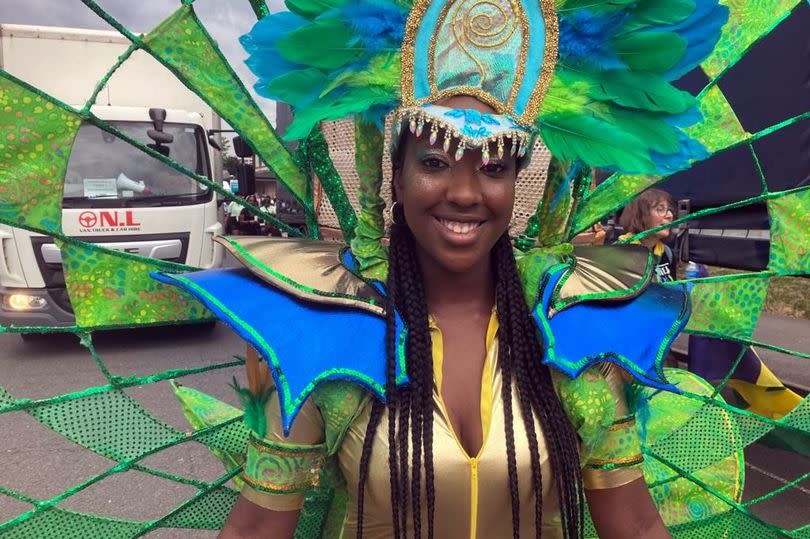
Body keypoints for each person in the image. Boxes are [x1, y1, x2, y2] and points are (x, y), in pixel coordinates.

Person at [152, 0, 734, 537]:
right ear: (397, 179)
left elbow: (634, 527)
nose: (464, 192)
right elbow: (255, 530)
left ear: (512, 185)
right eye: (434, 161)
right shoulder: (329, 327)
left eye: (494, 167)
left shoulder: (573, 327)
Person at [618, 189, 677, 283]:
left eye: (670, 210)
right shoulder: (618, 253)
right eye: (660, 209)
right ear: (640, 215)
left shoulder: (667, 253)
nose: (670, 215)